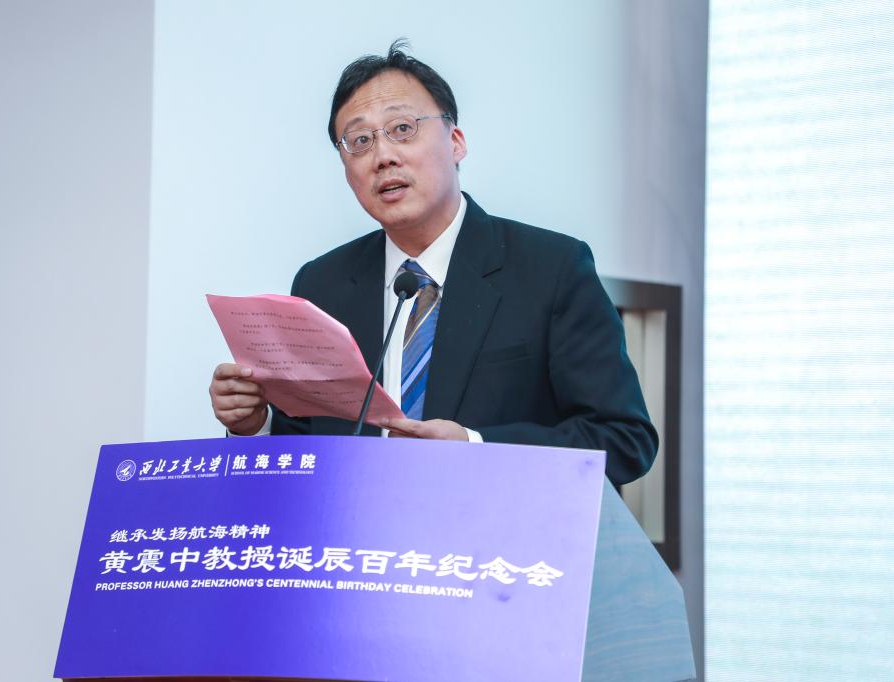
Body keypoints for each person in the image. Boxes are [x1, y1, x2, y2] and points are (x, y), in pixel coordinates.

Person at [209, 41, 657, 486]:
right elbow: (305, 444)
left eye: (402, 128)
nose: (383, 156)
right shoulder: (322, 284)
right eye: (360, 141)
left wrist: (475, 448)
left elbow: (623, 439)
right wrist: (254, 425)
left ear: (456, 142)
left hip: (492, 526)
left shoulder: (551, 268)